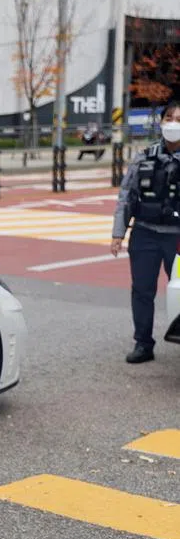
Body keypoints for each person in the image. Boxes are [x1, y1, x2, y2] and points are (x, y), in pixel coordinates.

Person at [110, 100, 180, 364]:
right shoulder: (145, 156)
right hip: (145, 233)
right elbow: (127, 195)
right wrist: (118, 234)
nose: (174, 124)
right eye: (169, 118)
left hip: (178, 239)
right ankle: (143, 343)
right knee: (142, 290)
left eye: (179, 119)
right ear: (161, 123)